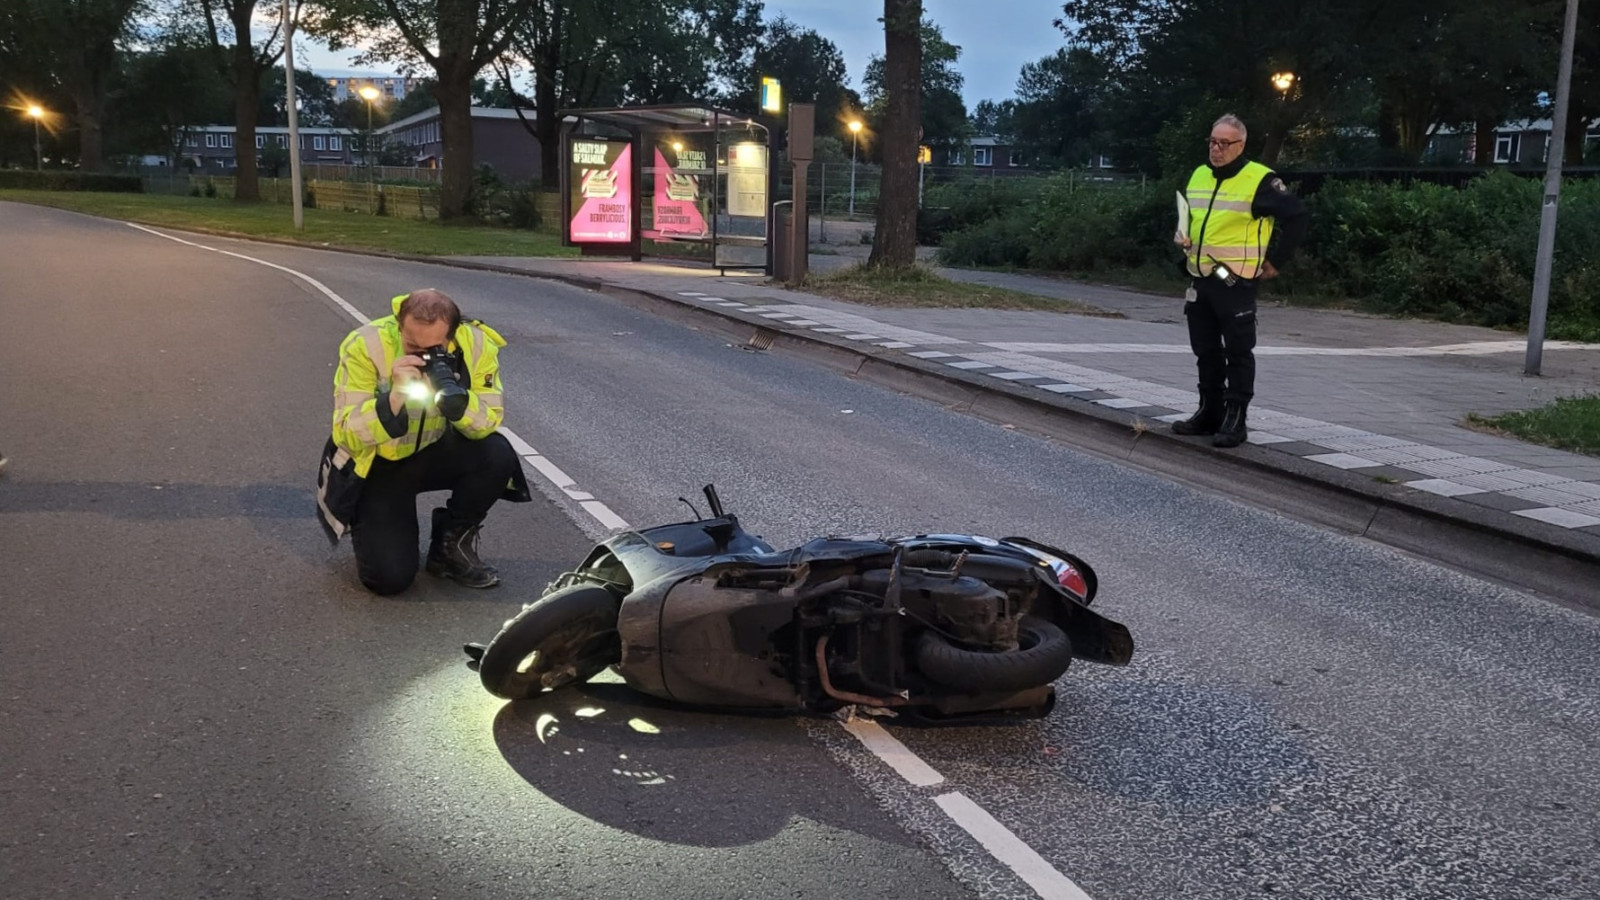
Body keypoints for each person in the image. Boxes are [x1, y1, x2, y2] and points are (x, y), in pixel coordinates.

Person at [316, 289, 530, 595]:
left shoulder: (478, 344)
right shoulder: (366, 344)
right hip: (380, 462)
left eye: (432, 349)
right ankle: (374, 526)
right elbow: (345, 431)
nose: (422, 357)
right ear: (399, 324)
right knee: (389, 580)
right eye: (412, 345)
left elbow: (489, 420)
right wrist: (393, 398)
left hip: (432, 448)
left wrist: (459, 404)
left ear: (453, 336)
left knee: (496, 454)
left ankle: (449, 546)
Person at [1172, 113, 1308, 448]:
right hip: (1200, 277)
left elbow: (1297, 216)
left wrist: (1277, 261)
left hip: (1236, 281)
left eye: (1224, 144)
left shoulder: (1259, 179)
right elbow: (1193, 217)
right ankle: (1208, 412)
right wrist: (1181, 237)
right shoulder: (1200, 174)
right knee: (1205, 351)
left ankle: (1236, 419)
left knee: (1238, 352)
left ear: (1241, 145)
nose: (1216, 149)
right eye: (1212, 142)